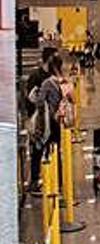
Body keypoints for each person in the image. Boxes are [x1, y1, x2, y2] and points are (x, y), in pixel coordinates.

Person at [35, 55, 74, 188]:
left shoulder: (47, 83)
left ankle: (50, 181)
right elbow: (72, 99)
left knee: (47, 150)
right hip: (61, 121)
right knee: (58, 150)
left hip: (50, 121)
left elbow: (40, 101)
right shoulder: (65, 82)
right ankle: (60, 180)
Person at [23, 47, 58, 192]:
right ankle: (35, 180)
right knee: (37, 151)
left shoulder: (55, 76)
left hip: (54, 120)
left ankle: (58, 181)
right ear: (49, 58)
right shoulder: (36, 76)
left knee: (55, 150)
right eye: (55, 58)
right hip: (41, 121)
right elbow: (30, 99)